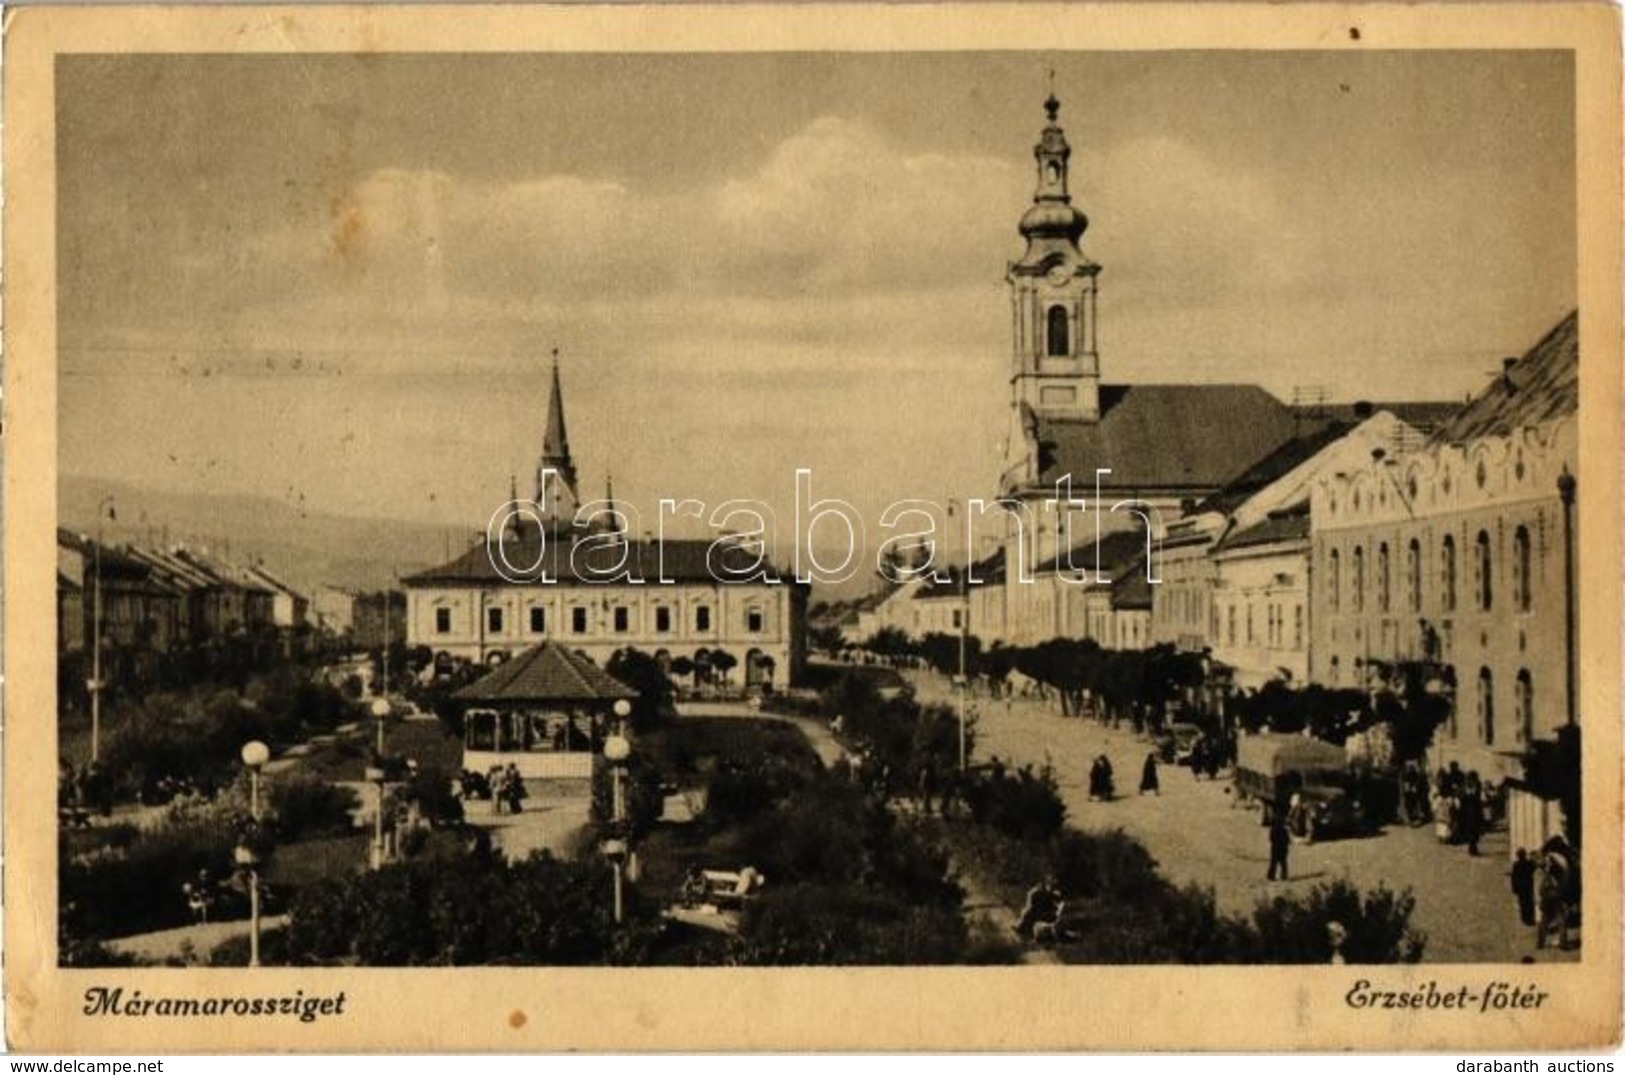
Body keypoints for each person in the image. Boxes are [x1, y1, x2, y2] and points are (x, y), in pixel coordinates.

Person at [1511, 849, 1538, 927]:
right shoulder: (1528, 863)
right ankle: (1529, 917)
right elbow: (1534, 868)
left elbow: (1514, 878)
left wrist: (1514, 888)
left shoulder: (1516, 865)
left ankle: (1525, 918)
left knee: (1523, 903)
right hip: (1528, 886)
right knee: (1529, 902)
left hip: (1521, 887)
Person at [1267, 814, 1291, 881]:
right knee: (1283, 863)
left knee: (1273, 863)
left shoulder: (1273, 830)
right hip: (1283, 849)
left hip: (1274, 848)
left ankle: (1271, 876)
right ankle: (1283, 876)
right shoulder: (1284, 830)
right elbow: (1288, 840)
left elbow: (1271, 839)